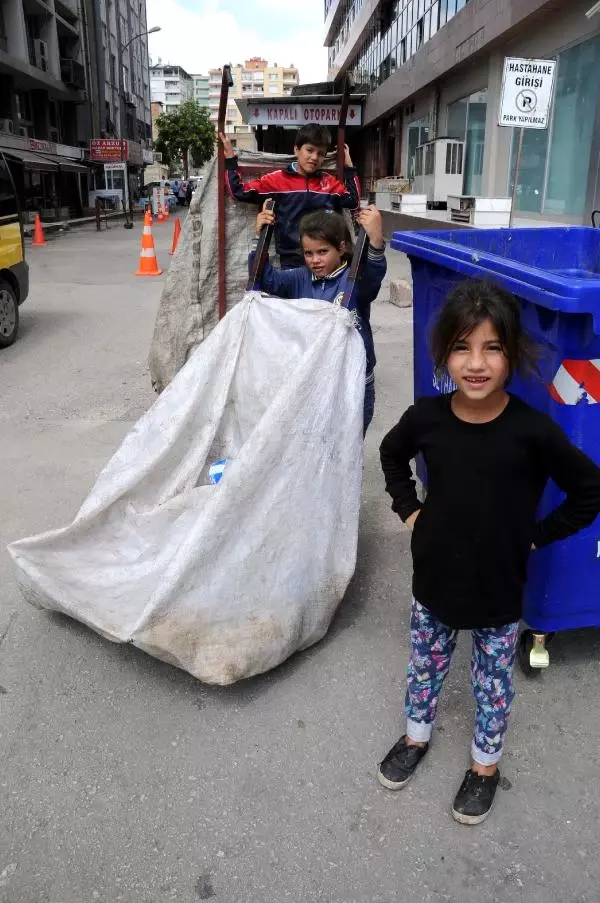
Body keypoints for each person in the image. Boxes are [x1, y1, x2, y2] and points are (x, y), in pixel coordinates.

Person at [378, 280, 600, 825]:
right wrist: (409, 510)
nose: (476, 363)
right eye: (462, 347)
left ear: (512, 354)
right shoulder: (426, 419)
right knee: (425, 667)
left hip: (500, 591)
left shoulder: (532, 432)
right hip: (433, 582)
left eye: (492, 348)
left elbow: (589, 489)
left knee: (492, 682)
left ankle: (484, 768)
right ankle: (415, 737)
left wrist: (536, 535)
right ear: (444, 353)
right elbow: (390, 454)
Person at [250, 201, 386, 434]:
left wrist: (375, 242)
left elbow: (372, 280)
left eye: (323, 251)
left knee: (349, 445)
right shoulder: (300, 279)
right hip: (317, 380)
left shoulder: (355, 280)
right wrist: (260, 239)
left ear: (341, 248)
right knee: (317, 442)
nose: (315, 260)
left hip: (354, 382)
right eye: (308, 253)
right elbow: (265, 279)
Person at [220, 124, 360, 268]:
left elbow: (353, 201)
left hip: (326, 260)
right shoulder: (276, 180)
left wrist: (348, 165)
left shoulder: (329, 183)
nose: (314, 157)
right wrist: (231, 160)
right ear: (296, 149)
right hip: (291, 261)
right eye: (310, 150)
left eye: (321, 154)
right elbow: (239, 192)